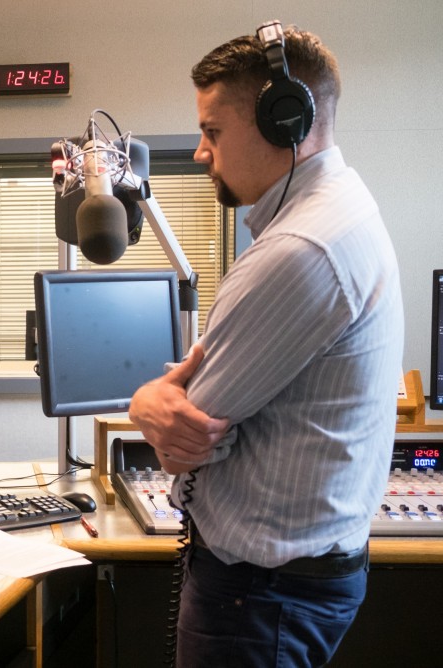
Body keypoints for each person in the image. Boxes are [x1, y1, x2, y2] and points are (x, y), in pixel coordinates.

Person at [128, 22, 403, 667]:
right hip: (294, 582)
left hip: (258, 596)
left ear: (286, 122)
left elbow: (185, 437)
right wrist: (155, 403)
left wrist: (146, 400)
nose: (201, 152)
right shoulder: (345, 205)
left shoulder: (297, 252)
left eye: (213, 131)